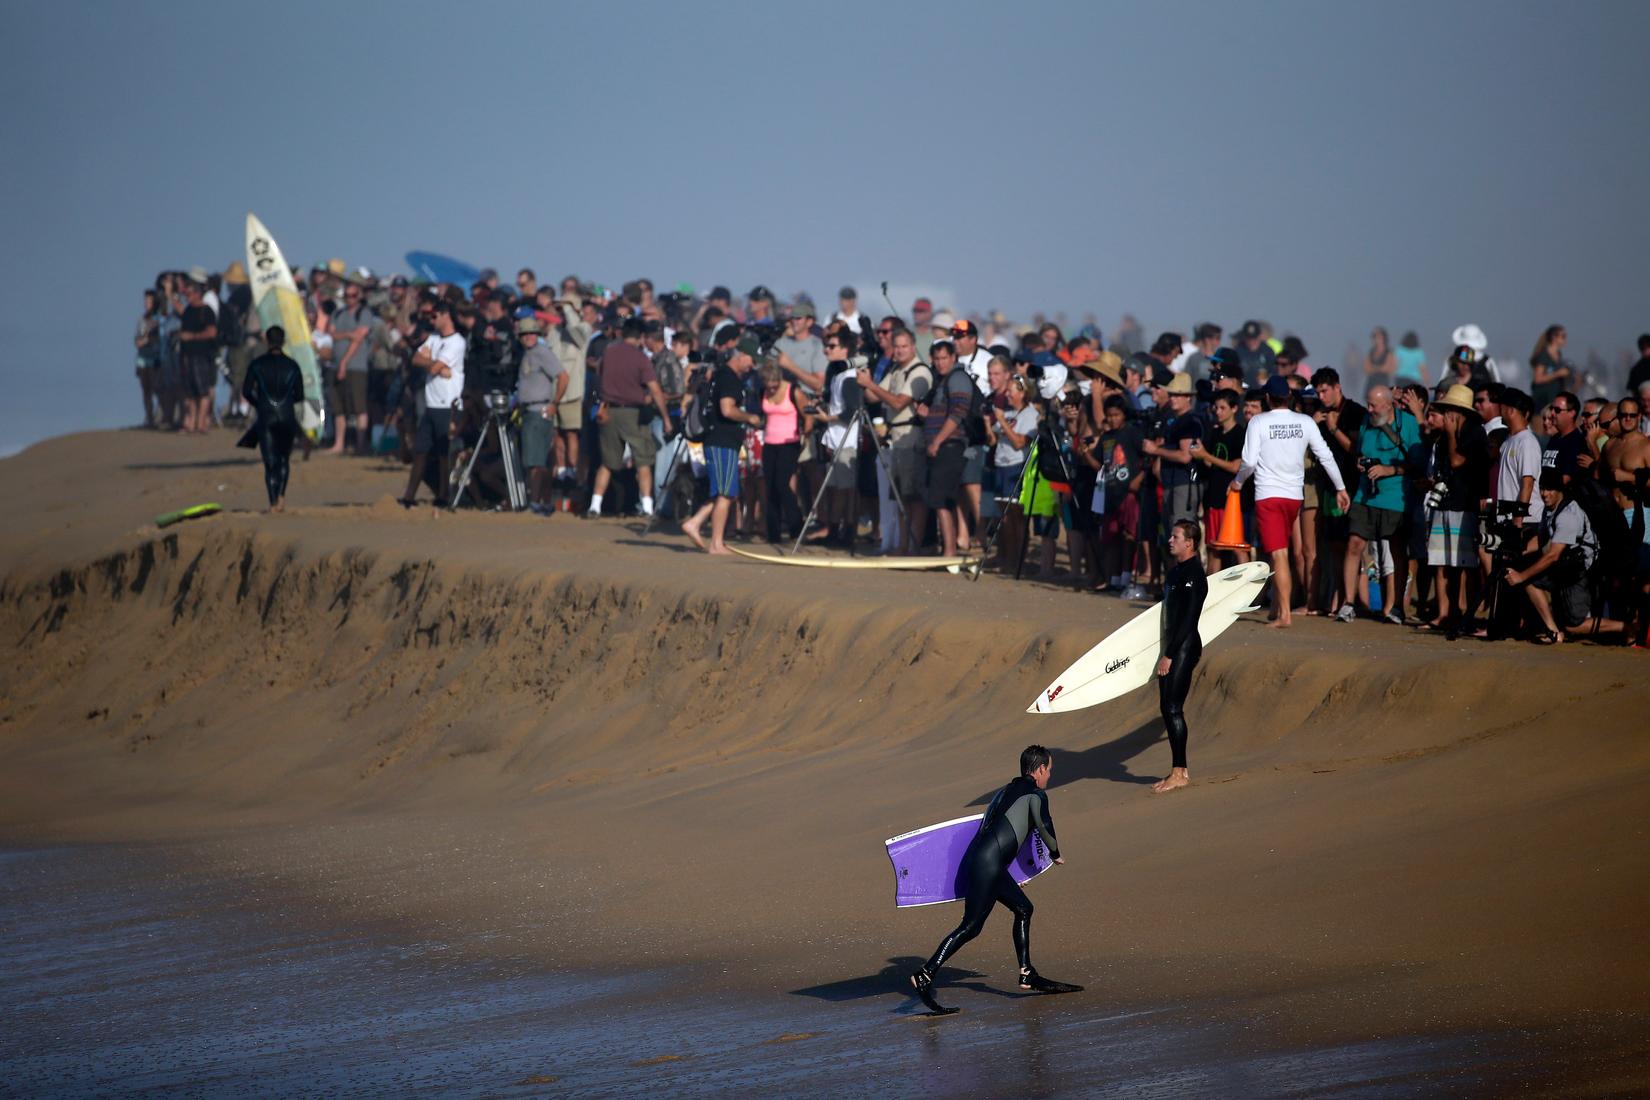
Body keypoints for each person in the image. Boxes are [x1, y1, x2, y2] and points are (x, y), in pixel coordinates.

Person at [908, 746, 1076, 1014]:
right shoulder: (1035, 795)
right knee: (972, 926)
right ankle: (926, 973)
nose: (1049, 776)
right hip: (991, 866)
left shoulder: (1002, 794)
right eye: (1050, 771)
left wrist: (1009, 876)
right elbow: (1044, 826)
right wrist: (1056, 854)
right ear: (1041, 769)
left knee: (1020, 909)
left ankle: (1026, 973)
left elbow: (996, 833)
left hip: (980, 861)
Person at [1231, 375, 1349, 628]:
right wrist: (1341, 487)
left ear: (1266, 398)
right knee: (1280, 552)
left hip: (1269, 496)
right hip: (1294, 497)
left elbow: (1249, 462)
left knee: (1279, 553)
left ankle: (1284, 614)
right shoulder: (1304, 421)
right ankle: (1276, 607)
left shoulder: (1259, 422)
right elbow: (1326, 456)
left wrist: (1238, 483)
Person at [1504, 471, 1622, 643]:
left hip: (1579, 571)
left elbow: (1553, 554)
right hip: (1564, 567)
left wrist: (1521, 575)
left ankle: (1626, 627)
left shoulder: (1568, 513)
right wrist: (1518, 551)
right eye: (1542, 489)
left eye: (1550, 489)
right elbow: (1544, 539)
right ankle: (1553, 632)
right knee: (1529, 580)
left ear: (1560, 490)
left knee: (1575, 625)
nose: (1544, 494)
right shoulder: (1550, 509)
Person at [1337, 386, 1419, 623]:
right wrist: (1362, 463)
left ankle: (1397, 608)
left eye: (1374, 405)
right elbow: (1360, 451)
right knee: (1354, 543)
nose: (1369, 409)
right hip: (1366, 494)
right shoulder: (1366, 421)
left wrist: (1389, 469)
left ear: (1388, 404)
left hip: (1395, 496)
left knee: (1396, 549)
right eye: (1368, 404)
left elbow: (1418, 463)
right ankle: (1348, 604)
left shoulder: (1408, 424)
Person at [681, 334, 764, 554]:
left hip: (719, 441)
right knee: (726, 493)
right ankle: (716, 543)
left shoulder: (720, 375)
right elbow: (727, 409)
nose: (753, 366)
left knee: (723, 491)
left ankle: (694, 523)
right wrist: (750, 418)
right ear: (742, 356)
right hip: (722, 441)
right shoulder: (729, 378)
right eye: (752, 361)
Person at [1418, 384, 1488, 631]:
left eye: (1449, 409)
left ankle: (1466, 616)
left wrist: (1449, 433)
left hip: (1464, 505)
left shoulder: (1473, 432)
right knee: (1441, 562)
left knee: (1465, 564)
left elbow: (1458, 461)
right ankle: (1445, 614)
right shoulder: (1446, 436)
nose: (1446, 415)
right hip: (1445, 503)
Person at [588, 318, 673, 518]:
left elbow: (597, 377)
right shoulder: (640, 358)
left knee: (608, 462)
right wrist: (666, 418)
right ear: (641, 337)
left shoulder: (608, 353)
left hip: (608, 411)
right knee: (643, 460)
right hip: (633, 413)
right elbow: (655, 390)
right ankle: (647, 507)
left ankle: (595, 505)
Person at [857, 329, 932, 553]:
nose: (899, 350)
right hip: (895, 439)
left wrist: (871, 385)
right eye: (896, 346)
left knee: (913, 497)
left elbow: (899, 403)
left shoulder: (919, 372)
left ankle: (913, 546)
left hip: (911, 439)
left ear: (913, 346)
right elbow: (873, 396)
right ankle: (901, 544)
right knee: (899, 496)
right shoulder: (897, 370)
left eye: (904, 346)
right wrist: (866, 378)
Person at [1154, 520, 1208, 794]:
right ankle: (1178, 770)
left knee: (1173, 707)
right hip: (1173, 646)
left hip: (1184, 647)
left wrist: (1170, 655)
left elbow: (1188, 620)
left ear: (1190, 542)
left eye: (1176, 537)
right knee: (1166, 706)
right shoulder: (1175, 573)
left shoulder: (1195, 575)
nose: (1170, 540)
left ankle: (1180, 772)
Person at [401, 302, 466, 506]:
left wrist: (433, 363)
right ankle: (409, 497)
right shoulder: (434, 338)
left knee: (444, 453)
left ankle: (444, 496)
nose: (431, 320)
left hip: (449, 404)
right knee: (420, 451)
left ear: (446, 315)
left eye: (434, 316)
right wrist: (433, 364)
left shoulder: (457, 342)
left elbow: (434, 367)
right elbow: (417, 359)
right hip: (431, 404)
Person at [240, 326, 306, 513]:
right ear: (283, 342)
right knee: (284, 459)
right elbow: (300, 395)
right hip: (287, 417)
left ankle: (272, 503)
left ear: (267, 341)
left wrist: (259, 403)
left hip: (266, 417)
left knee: (270, 463)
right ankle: (282, 498)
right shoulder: (293, 365)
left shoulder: (257, 364)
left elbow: (246, 391)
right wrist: (285, 403)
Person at [515, 317, 567, 515]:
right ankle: (542, 502)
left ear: (537, 335)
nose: (528, 337)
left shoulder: (542, 353)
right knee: (538, 460)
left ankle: (535, 503)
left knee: (535, 462)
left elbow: (563, 376)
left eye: (531, 333)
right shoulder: (529, 353)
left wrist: (555, 403)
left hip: (539, 411)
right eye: (524, 334)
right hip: (530, 411)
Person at [758, 362, 808, 543]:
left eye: (775, 386)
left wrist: (806, 437)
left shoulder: (793, 391)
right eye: (768, 387)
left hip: (790, 443)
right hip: (769, 443)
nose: (771, 390)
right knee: (770, 488)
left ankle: (796, 526)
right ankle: (773, 533)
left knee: (783, 484)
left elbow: (807, 414)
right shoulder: (761, 392)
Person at [177, 276, 218, 435]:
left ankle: (201, 423)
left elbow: (212, 332)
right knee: (189, 392)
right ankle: (191, 422)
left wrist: (192, 336)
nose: (188, 296)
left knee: (202, 391)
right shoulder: (188, 311)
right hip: (186, 356)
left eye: (190, 294)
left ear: (197, 294)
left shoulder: (206, 311)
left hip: (201, 355)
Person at [1528, 325, 1572, 412]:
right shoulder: (1543, 355)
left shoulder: (1558, 355)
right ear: (1554, 337)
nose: (1565, 339)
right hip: (1542, 402)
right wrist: (1558, 374)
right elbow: (1537, 379)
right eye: (1562, 336)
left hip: (1553, 400)